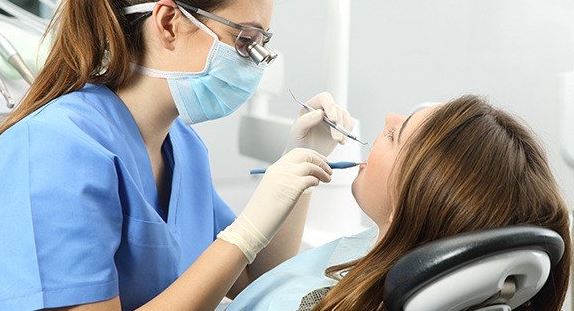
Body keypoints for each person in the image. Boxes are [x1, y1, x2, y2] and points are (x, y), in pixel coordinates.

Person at [0, 0, 356, 311]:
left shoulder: (183, 148)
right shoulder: (55, 150)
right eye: (244, 40)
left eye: (262, 44)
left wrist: (300, 165)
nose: (256, 64)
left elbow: (254, 279)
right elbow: (238, 249)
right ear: (169, 23)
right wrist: (243, 232)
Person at [226, 95, 572, 311]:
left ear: (406, 207)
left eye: (396, 135)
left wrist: (245, 233)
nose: (389, 117)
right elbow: (273, 278)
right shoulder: (388, 250)